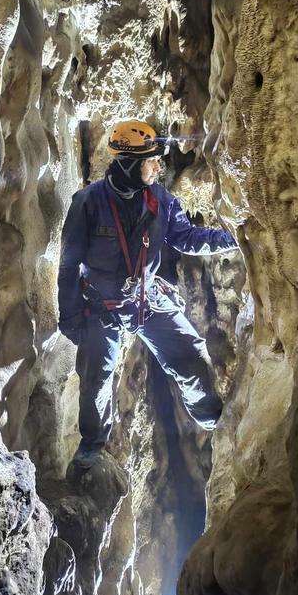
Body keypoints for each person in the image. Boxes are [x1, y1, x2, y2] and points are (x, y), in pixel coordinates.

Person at [58, 119, 238, 468]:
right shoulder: (88, 203)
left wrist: (232, 238)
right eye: (152, 160)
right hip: (102, 305)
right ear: (129, 163)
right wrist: (70, 317)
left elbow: (186, 237)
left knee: (191, 356)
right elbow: (69, 265)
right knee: (96, 380)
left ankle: (214, 420)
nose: (159, 165)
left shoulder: (160, 200)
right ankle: (92, 450)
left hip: (146, 298)